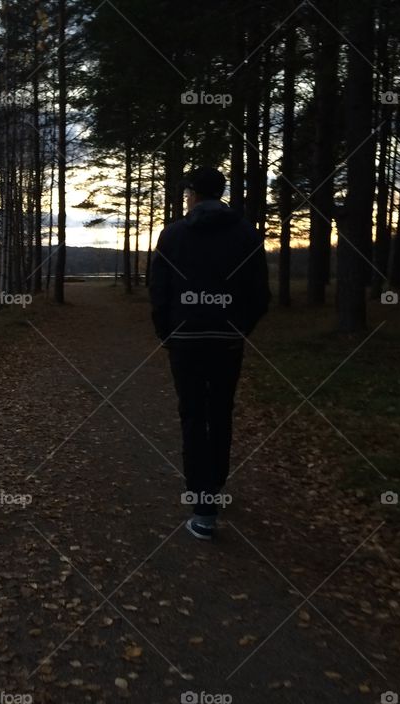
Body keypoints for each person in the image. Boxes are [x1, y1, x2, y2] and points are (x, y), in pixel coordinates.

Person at [149, 166, 270, 540]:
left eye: (187, 192)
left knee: (192, 415)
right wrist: (238, 330)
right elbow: (259, 295)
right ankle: (212, 488)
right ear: (220, 193)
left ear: (193, 195)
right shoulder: (247, 234)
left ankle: (203, 508)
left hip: (185, 342)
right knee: (219, 413)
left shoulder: (173, 235)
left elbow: (160, 292)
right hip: (226, 342)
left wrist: (167, 334)